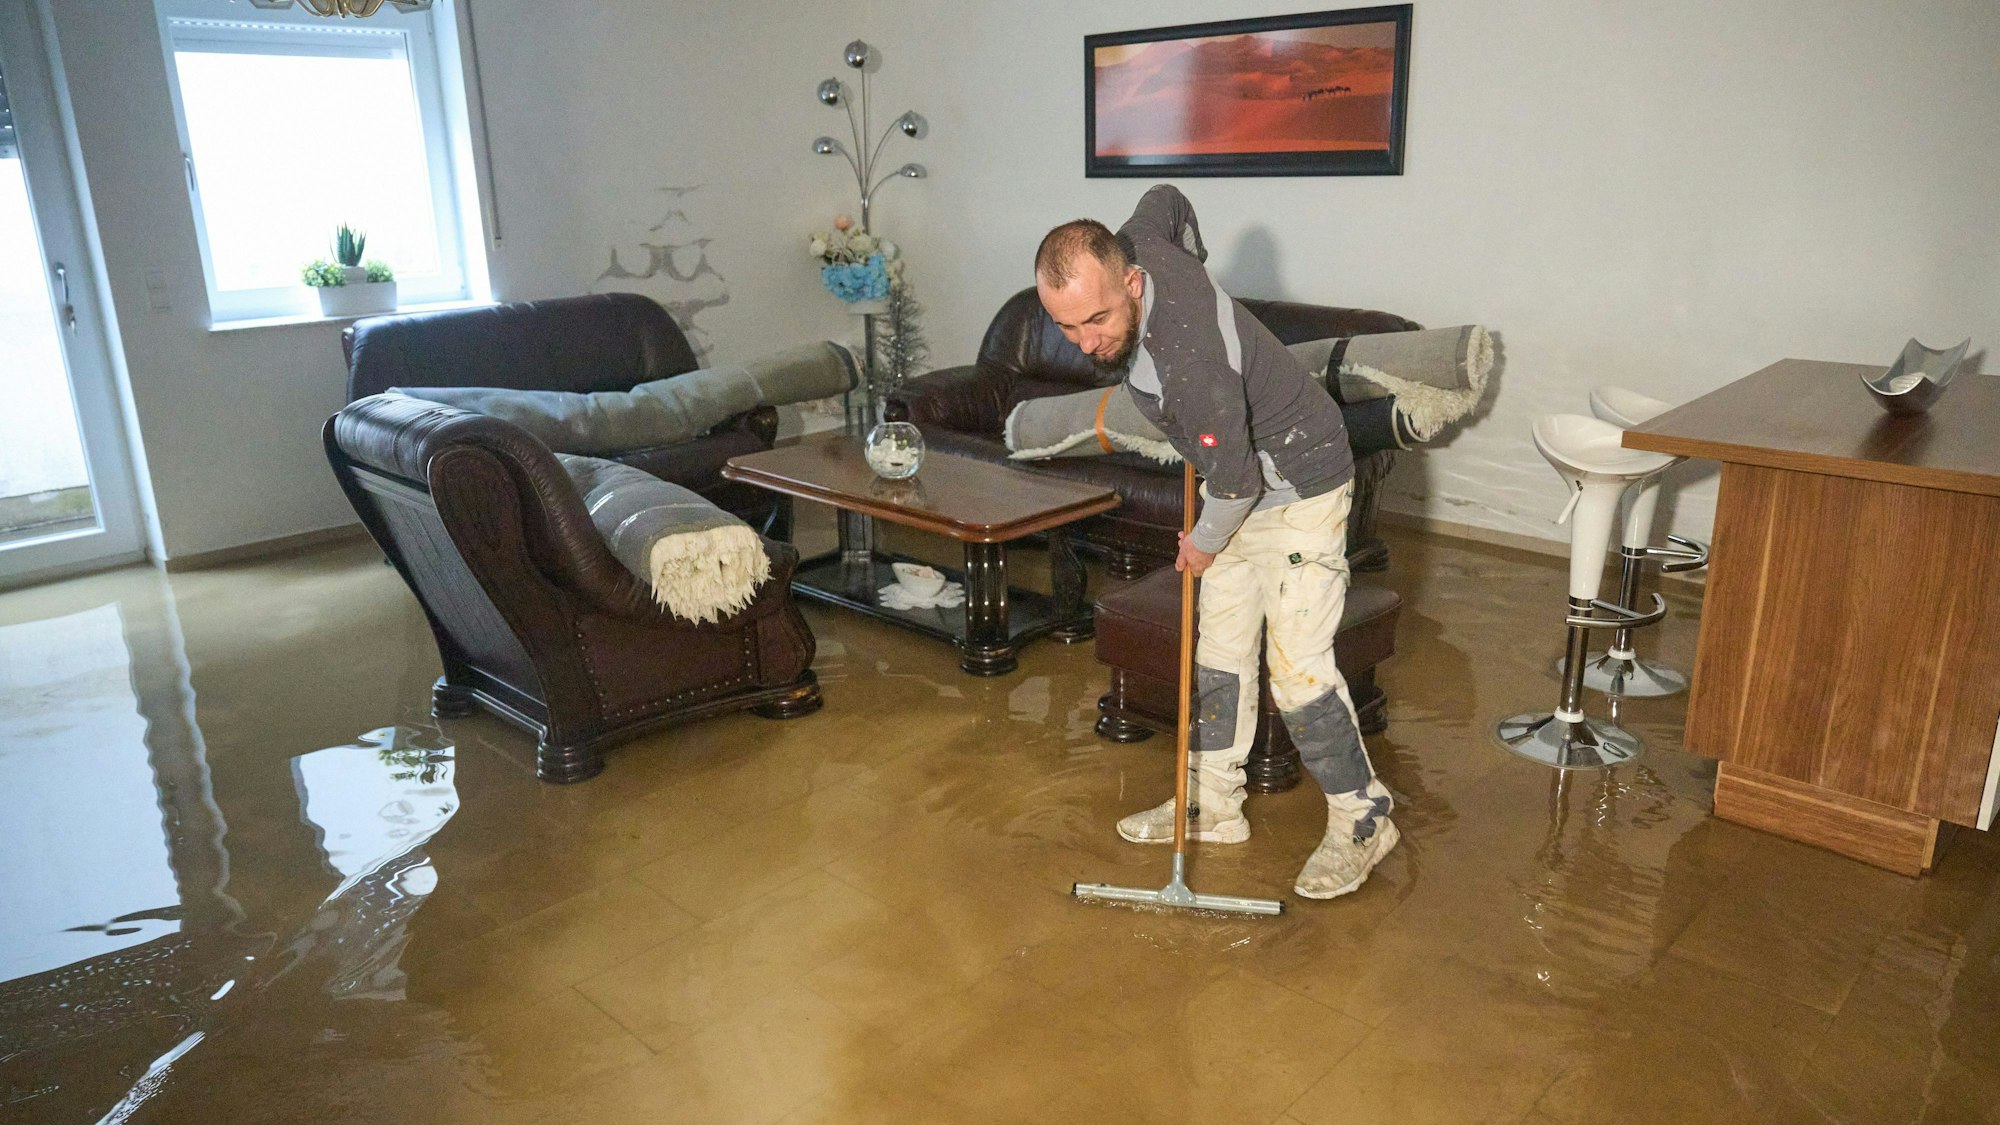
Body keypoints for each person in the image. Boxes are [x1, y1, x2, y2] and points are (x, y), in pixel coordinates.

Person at [1033, 184, 1397, 899]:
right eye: (1067, 326)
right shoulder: (1142, 241)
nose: (1086, 343)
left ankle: (1364, 817)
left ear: (1131, 282)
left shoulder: (1190, 361)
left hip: (1299, 482)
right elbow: (1166, 197)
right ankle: (1213, 803)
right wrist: (1193, 265)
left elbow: (1234, 486)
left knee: (1297, 670)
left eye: (1098, 319)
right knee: (1220, 651)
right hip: (1239, 477)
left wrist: (1199, 544)